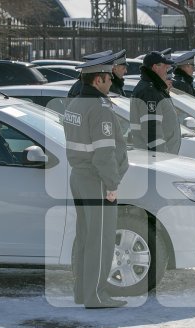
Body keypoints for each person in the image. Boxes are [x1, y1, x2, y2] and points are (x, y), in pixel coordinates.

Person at [63, 52, 129, 309]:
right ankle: (96, 295)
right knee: (99, 241)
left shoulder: (75, 104)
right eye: (109, 78)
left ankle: (82, 292)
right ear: (99, 79)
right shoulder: (99, 108)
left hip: (79, 177)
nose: (111, 82)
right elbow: (104, 154)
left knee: (85, 237)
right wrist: (111, 184)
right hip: (96, 180)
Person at [130, 51, 181, 154]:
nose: (167, 70)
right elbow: (151, 131)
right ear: (155, 67)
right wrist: (162, 157)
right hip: (157, 160)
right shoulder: (149, 91)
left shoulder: (154, 88)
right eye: (165, 67)